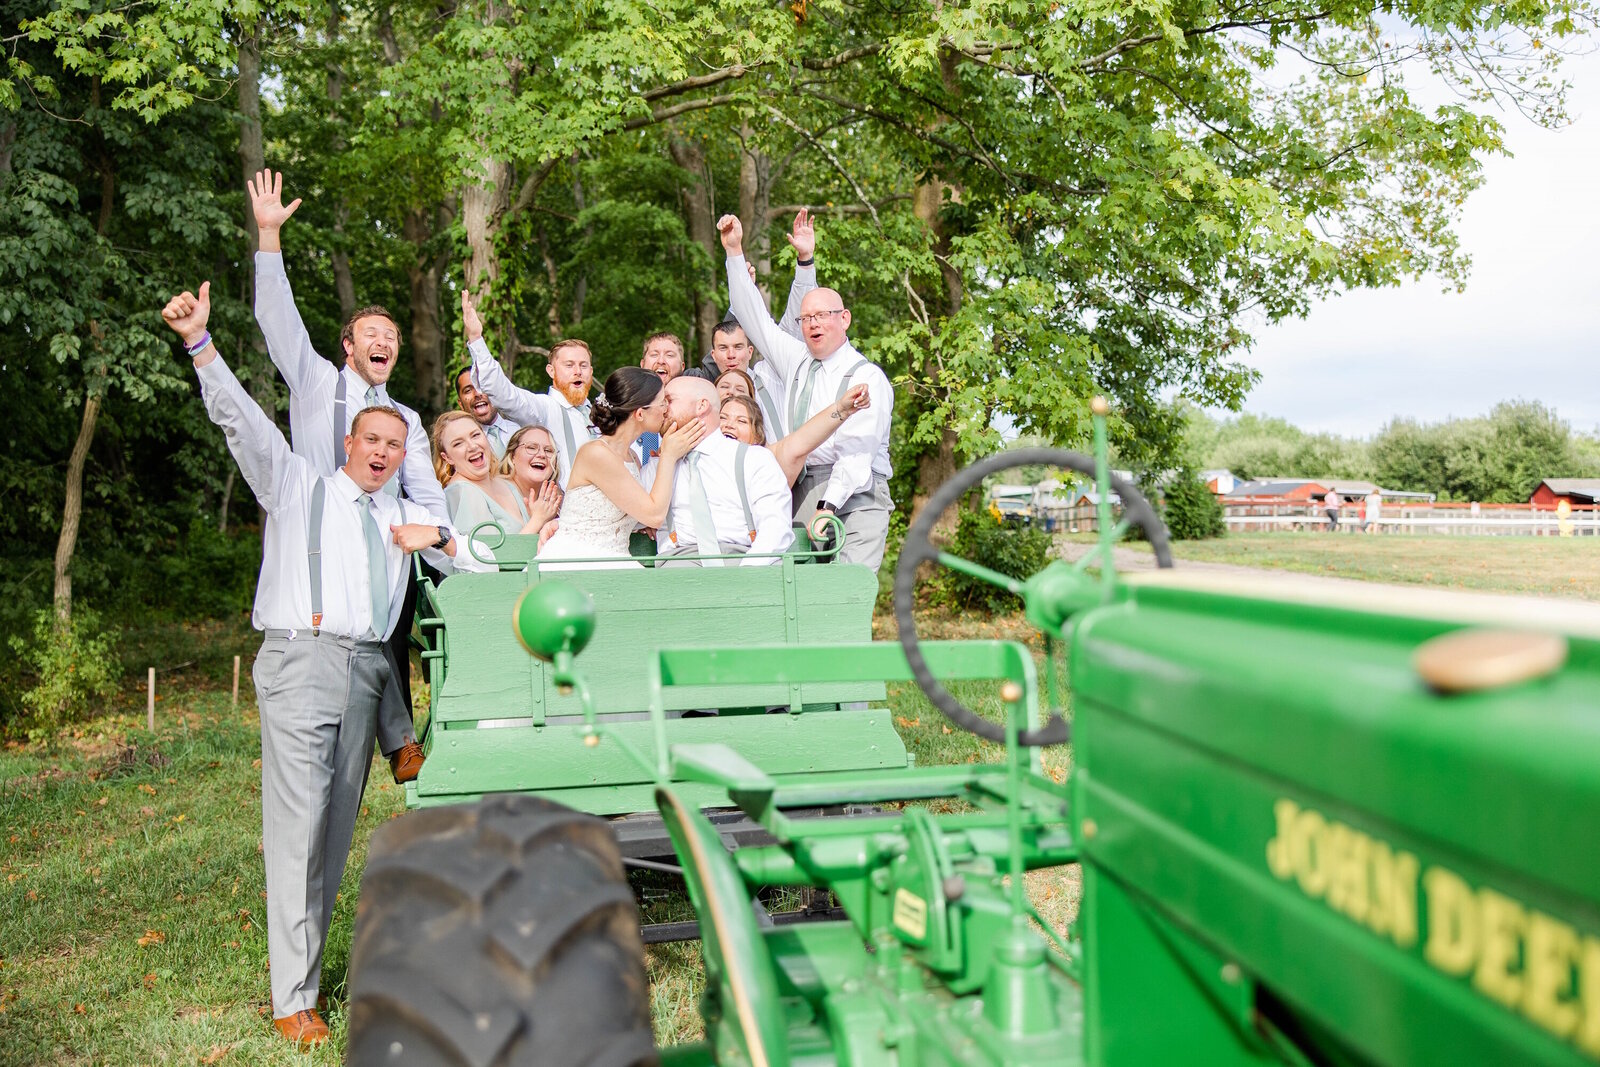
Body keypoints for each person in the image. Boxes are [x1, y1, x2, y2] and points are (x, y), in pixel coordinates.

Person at [162, 280, 459, 1049]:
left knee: (332, 834)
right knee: (297, 827)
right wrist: (201, 345)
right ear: (349, 444)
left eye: (394, 446)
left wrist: (447, 542)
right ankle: (291, 996)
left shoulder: (403, 516)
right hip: (301, 665)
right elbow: (241, 421)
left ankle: (308, 968)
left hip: (366, 673)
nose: (382, 454)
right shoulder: (296, 486)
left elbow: (474, 565)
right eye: (371, 442)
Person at [247, 169, 431, 783]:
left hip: (384, 535)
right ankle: (392, 735)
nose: (384, 343)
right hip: (317, 531)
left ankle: (394, 737)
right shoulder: (317, 383)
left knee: (382, 630)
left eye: (393, 338)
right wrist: (269, 238)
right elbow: (278, 321)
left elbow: (422, 486)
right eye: (372, 335)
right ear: (348, 346)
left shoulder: (404, 417)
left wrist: (435, 532)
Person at [719, 213, 894, 571]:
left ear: (843, 319)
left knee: (849, 587)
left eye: (822, 315)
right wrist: (734, 252)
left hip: (856, 492)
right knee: (801, 589)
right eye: (806, 319)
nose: (813, 323)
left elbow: (858, 454)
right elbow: (753, 317)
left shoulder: (866, 376)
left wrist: (827, 507)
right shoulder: (795, 357)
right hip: (799, 486)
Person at [536, 368, 705, 570]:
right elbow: (654, 514)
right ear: (640, 414)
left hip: (614, 559)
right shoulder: (596, 454)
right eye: (662, 403)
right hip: (579, 561)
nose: (666, 409)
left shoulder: (631, 457)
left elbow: (631, 513)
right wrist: (668, 456)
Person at [461, 290, 594, 489]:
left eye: (583, 366)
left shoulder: (601, 411)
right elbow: (503, 393)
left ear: (591, 371)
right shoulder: (544, 409)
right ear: (551, 370)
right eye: (569, 365)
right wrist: (476, 339)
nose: (577, 372)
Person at [656, 376, 794, 566]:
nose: (661, 409)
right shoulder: (657, 468)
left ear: (701, 406)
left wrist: (749, 571)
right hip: (680, 564)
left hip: (746, 559)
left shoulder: (754, 459)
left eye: (669, 401)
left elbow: (775, 526)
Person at [432, 412, 560, 571]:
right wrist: (537, 520)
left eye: (476, 435)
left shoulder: (505, 484)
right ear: (447, 458)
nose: (472, 446)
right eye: (458, 443)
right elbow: (489, 562)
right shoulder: (462, 491)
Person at [719, 383, 871, 487]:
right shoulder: (699, 456)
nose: (729, 424)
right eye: (723, 417)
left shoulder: (763, 462)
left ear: (757, 436)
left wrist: (841, 409)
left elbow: (802, 440)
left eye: (741, 421)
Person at [454, 366, 520, 458]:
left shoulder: (520, 430)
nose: (477, 394)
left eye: (482, 387)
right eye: (468, 390)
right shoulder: (460, 446)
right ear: (461, 404)